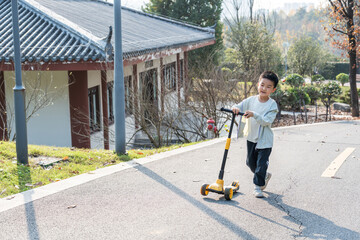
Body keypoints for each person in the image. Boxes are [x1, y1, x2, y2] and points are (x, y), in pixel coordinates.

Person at [232, 71, 279, 198]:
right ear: (258, 84)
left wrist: (254, 114)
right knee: (250, 163)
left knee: (261, 164)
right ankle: (264, 175)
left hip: (265, 141)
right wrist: (235, 108)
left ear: (273, 90)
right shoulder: (251, 100)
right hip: (252, 138)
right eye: (262, 85)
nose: (264, 88)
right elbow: (238, 106)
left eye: (268, 87)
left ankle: (258, 187)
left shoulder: (272, 105)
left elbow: (266, 121)